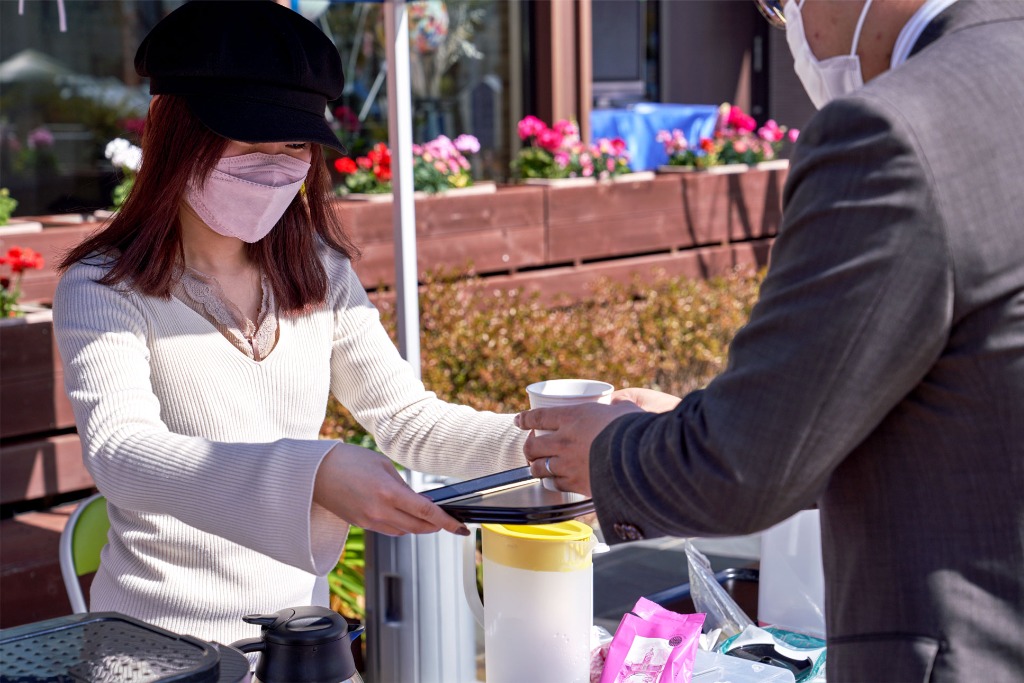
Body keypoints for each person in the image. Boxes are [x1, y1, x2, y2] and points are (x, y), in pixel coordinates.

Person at [516, 1, 1024, 681]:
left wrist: (611, 450)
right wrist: (687, 422)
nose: (791, 30)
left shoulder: (893, 132)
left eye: (782, 6)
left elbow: (743, 466)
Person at [53, 1, 526, 647]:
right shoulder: (103, 286)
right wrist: (313, 471)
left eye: (296, 144)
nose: (276, 165)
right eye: (251, 140)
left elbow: (409, 419)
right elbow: (122, 454)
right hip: (155, 648)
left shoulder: (319, 268)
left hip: (297, 639)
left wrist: (554, 440)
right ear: (176, 133)